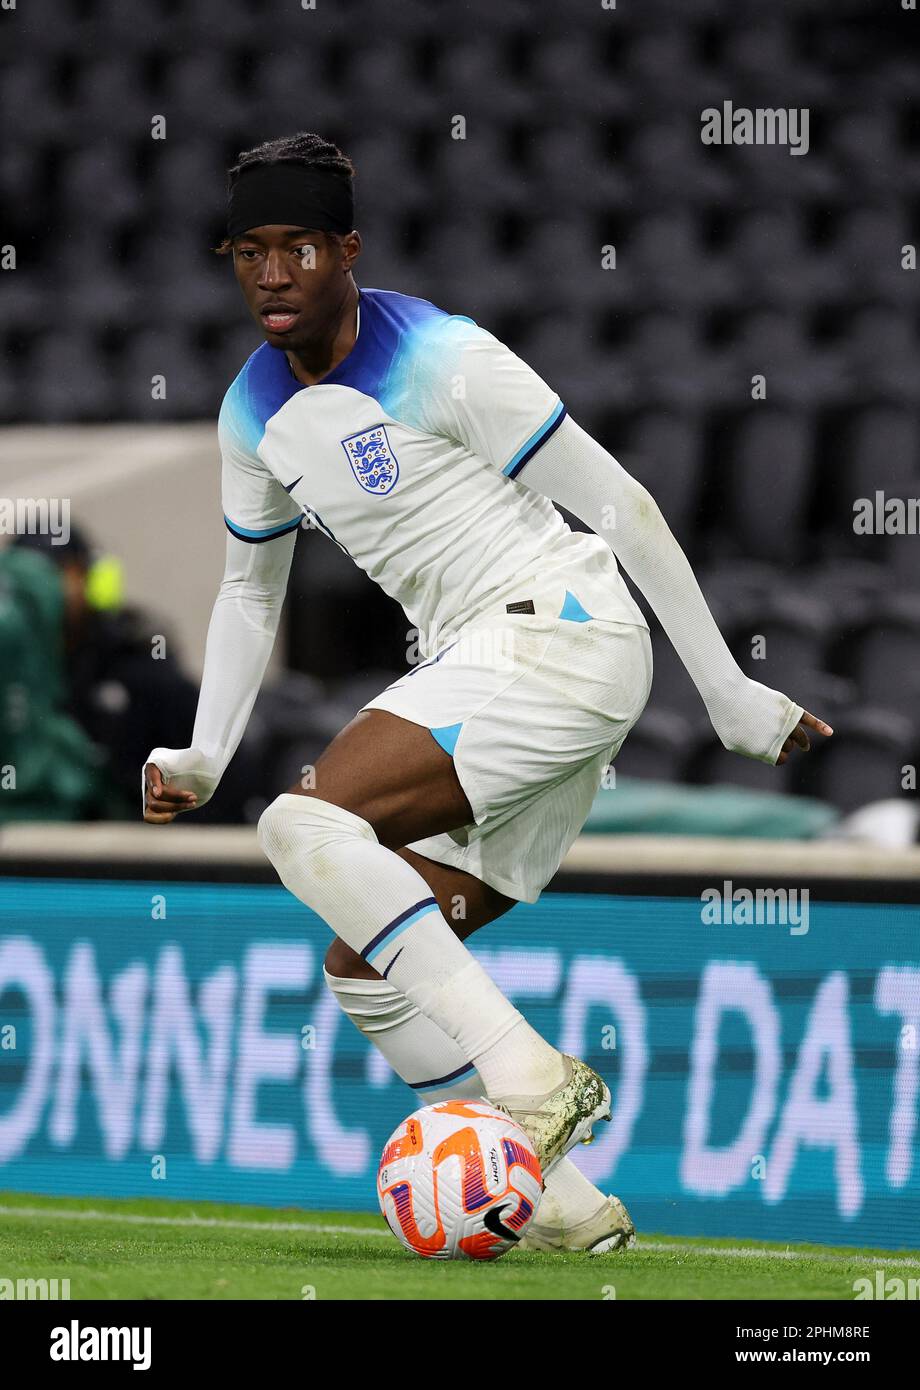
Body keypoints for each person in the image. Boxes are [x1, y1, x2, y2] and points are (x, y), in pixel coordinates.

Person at [142, 132, 832, 1254]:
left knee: (303, 821)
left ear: (347, 250)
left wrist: (723, 688)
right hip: (489, 665)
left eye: (299, 249)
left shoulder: (447, 357)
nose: (272, 275)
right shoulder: (249, 413)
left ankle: (527, 1073)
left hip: (560, 628)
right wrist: (204, 753)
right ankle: (567, 1215)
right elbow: (246, 590)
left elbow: (621, 505)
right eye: (248, 252)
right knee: (365, 962)